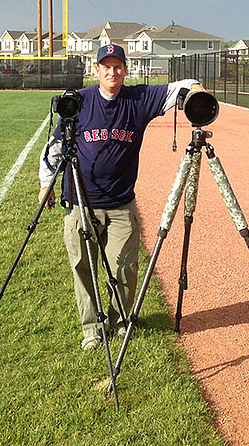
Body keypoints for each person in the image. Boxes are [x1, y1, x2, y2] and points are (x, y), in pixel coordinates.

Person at [39, 43, 203, 350]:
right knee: (83, 267)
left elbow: (176, 89)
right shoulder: (80, 102)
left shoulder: (138, 99)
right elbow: (55, 146)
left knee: (125, 267)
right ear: (97, 70)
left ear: (125, 70)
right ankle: (91, 328)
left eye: (118, 67)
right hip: (80, 203)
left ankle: (118, 320)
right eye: (106, 67)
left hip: (121, 203)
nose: (112, 72)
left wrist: (195, 87)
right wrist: (45, 184)